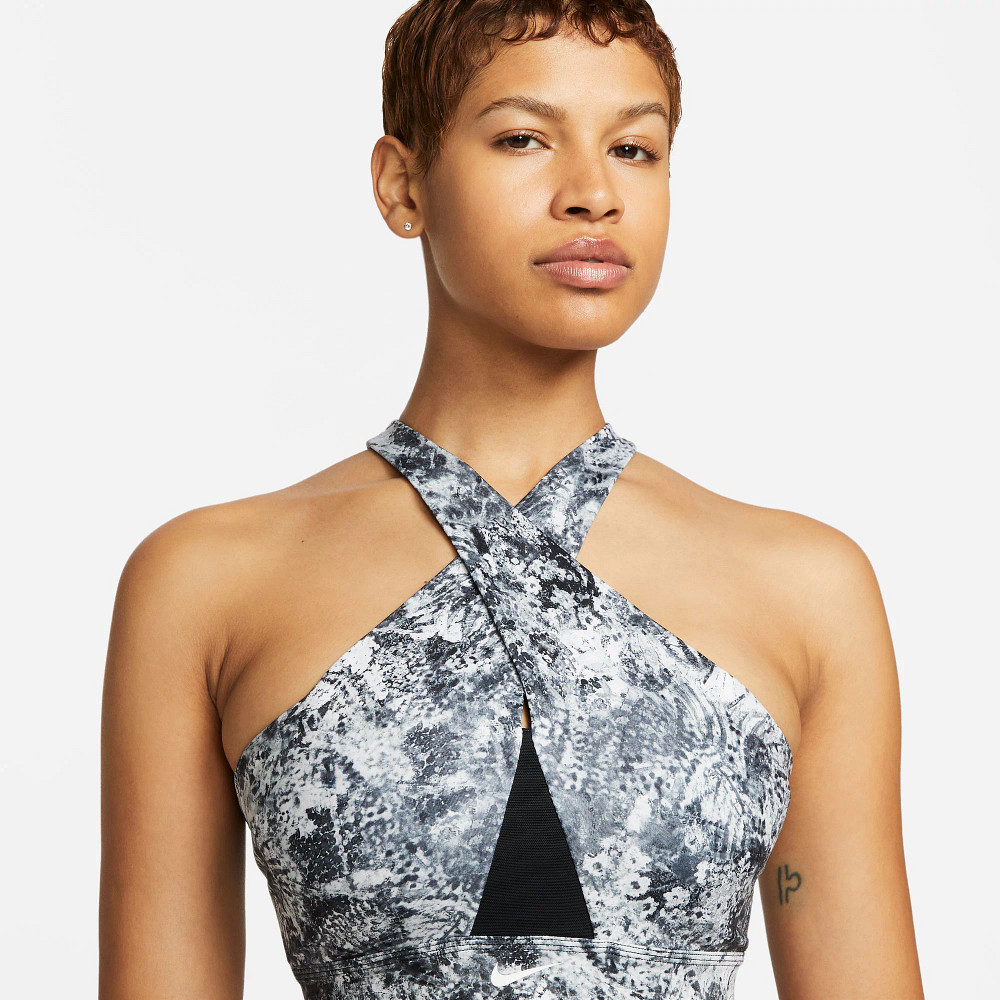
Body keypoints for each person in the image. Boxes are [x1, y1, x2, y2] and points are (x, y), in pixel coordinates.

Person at [99, 2, 924, 997]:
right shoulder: (204, 584)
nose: (593, 195)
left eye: (634, 149)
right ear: (403, 185)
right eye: (524, 139)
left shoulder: (808, 591)